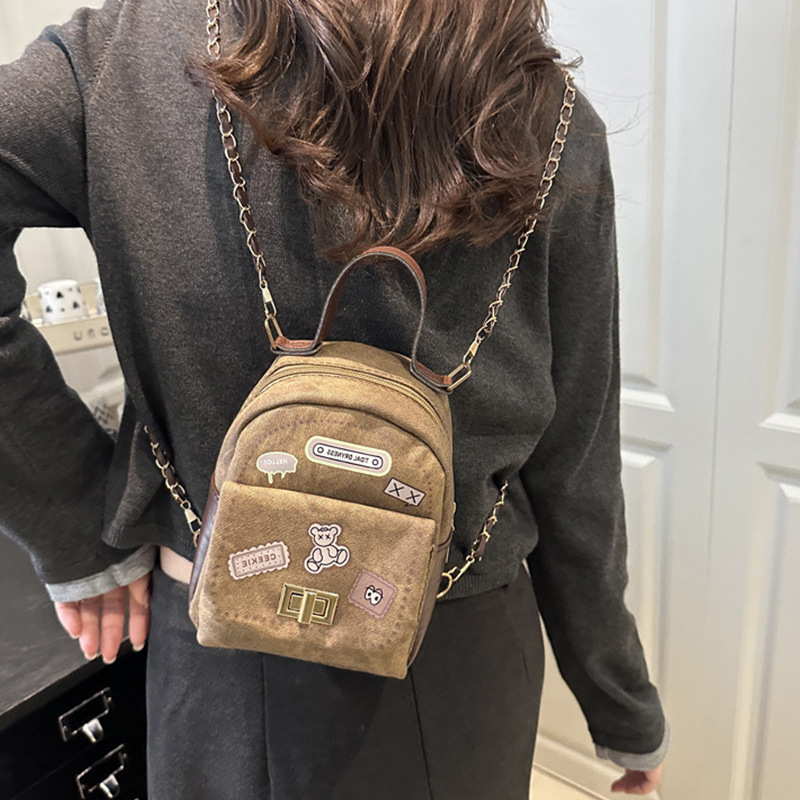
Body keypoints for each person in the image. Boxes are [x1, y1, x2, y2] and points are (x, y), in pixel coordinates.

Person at [0, 0, 670, 797]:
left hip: (222, 628)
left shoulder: (121, 54)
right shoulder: (551, 115)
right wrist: (622, 704)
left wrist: (75, 521)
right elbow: (577, 464)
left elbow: (577, 458)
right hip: (451, 644)